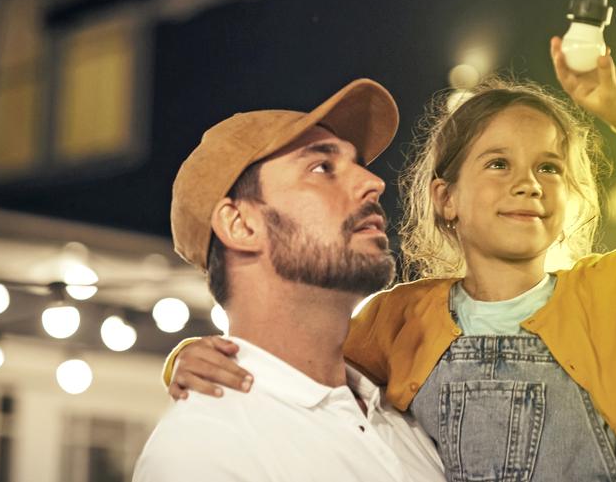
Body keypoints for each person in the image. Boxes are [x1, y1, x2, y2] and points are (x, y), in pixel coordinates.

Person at [165, 38, 616, 481]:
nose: (529, 183)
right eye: (499, 163)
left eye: (550, 168)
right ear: (444, 198)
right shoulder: (400, 320)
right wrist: (189, 358)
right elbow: (300, 366)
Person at [134, 79, 446, 481]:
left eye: (359, 165)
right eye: (322, 168)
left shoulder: (406, 419)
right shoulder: (203, 453)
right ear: (241, 224)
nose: (373, 183)